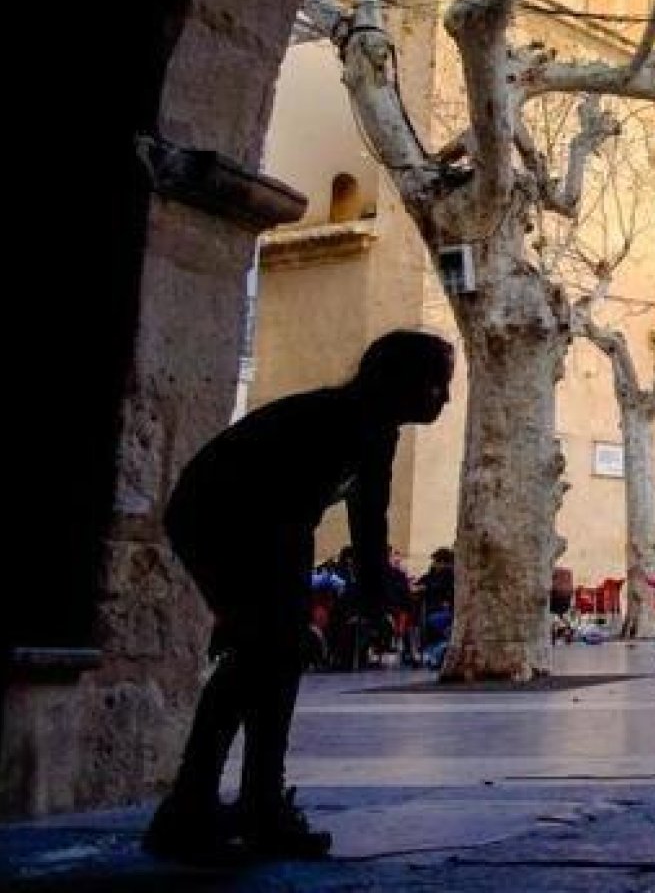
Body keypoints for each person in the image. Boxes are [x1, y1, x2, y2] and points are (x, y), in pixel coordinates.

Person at [144, 329, 455, 863]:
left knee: (267, 658)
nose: (444, 399)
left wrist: (374, 593)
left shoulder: (375, 430)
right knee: (265, 653)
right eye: (435, 385)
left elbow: (369, 518)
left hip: (254, 525)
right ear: (400, 381)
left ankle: (239, 803)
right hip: (223, 520)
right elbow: (282, 510)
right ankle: (213, 808)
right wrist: (297, 603)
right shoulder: (340, 422)